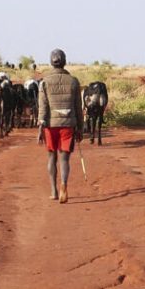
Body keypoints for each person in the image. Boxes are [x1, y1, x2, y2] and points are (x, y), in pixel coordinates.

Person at [37, 49, 83, 204]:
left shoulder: (44, 82)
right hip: (68, 125)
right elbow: (78, 107)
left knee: (52, 157)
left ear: (51, 62)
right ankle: (64, 184)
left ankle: (54, 191)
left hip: (50, 125)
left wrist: (40, 126)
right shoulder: (73, 81)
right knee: (64, 159)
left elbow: (42, 107)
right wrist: (81, 128)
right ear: (65, 62)